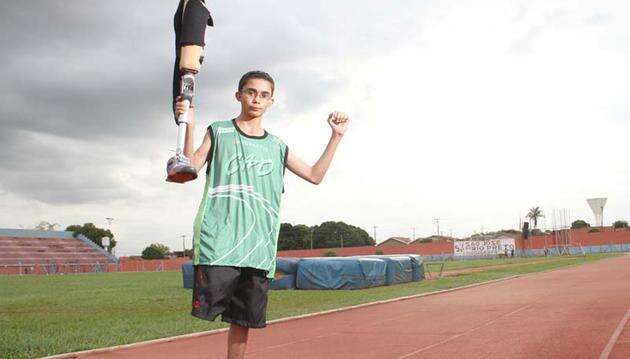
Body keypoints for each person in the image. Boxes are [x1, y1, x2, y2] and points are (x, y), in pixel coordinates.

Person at [174, 70, 349, 359]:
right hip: (219, 242)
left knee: (242, 323)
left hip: (259, 248)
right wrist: (189, 124)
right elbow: (188, 167)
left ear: (271, 101)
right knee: (204, 314)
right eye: (251, 92)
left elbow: (315, 175)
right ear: (238, 95)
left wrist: (336, 137)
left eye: (264, 94)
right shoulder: (219, 131)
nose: (256, 99)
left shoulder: (277, 146)